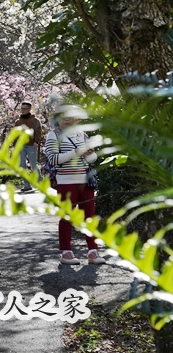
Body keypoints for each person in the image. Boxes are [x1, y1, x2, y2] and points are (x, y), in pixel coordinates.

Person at [43, 105, 105, 265]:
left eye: (71, 117)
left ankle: (93, 251)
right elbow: (53, 159)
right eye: (64, 117)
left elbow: (92, 159)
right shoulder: (53, 135)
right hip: (66, 182)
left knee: (89, 216)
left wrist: (91, 154)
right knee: (67, 217)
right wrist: (78, 152)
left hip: (85, 181)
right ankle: (66, 253)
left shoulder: (82, 134)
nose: (68, 120)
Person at [13, 101, 43, 190]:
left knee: (33, 165)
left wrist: (36, 141)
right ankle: (26, 184)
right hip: (21, 146)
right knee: (22, 166)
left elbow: (38, 132)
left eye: (25, 109)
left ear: (29, 109)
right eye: (22, 108)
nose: (23, 110)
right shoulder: (18, 121)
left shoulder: (35, 120)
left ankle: (40, 181)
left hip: (31, 145)